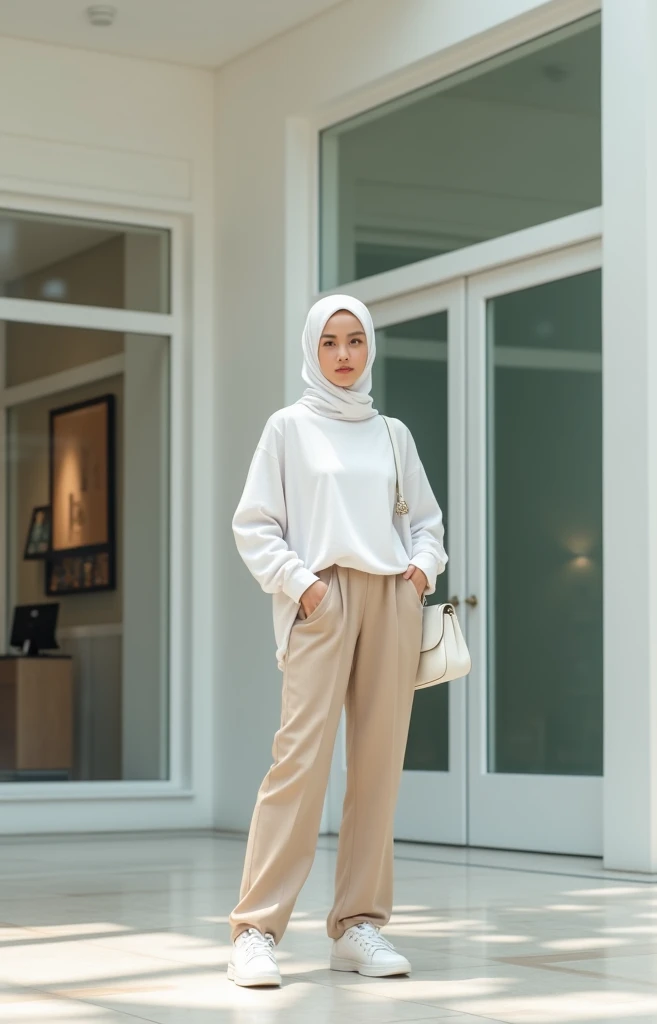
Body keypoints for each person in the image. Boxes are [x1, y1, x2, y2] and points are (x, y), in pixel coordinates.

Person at [228, 294, 448, 988]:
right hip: (322, 597)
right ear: (311, 351)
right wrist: (304, 587)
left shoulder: (392, 434)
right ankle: (256, 931)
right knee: (299, 763)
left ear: (370, 347)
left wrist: (419, 574)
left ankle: (359, 926)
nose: (345, 355)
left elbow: (428, 522)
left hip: (390, 597)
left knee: (378, 766)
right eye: (331, 343)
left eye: (355, 340)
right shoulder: (287, 429)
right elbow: (255, 524)